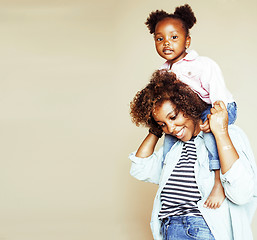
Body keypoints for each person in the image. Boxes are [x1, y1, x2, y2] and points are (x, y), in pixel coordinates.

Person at [129, 70, 257, 240]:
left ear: (188, 105)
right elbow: (140, 169)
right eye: (163, 124)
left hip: (200, 229)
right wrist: (156, 129)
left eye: (173, 117)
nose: (171, 128)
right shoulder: (175, 148)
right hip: (169, 228)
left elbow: (242, 193)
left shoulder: (227, 135)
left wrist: (221, 133)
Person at [145, 4, 237, 208]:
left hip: (217, 107)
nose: (166, 43)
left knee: (212, 138)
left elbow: (219, 97)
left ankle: (217, 183)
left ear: (187, 40)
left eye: (174, 37)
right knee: (170, 141)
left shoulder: (202, 65)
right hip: (192, 115)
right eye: (160, 39)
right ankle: (170, 183)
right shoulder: (162, 72)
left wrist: (211, 119)